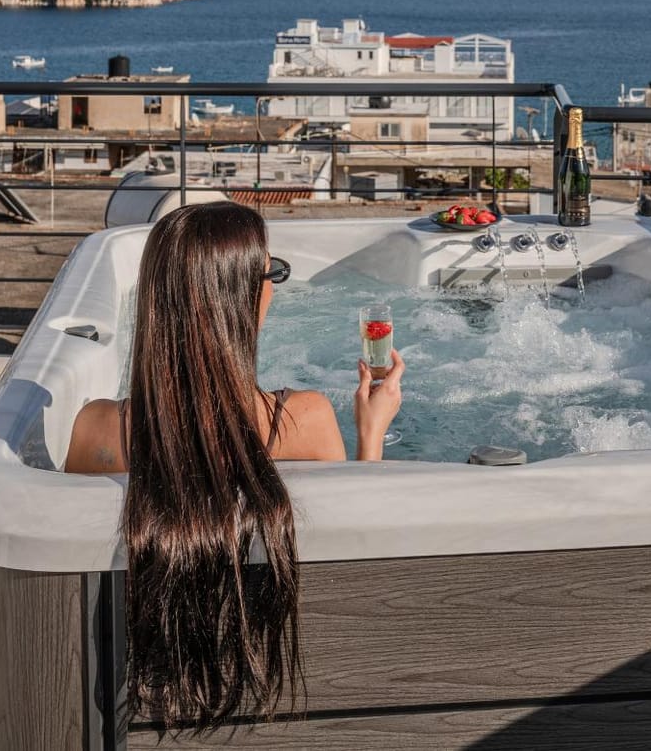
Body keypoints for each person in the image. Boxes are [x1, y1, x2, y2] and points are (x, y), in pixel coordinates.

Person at [65, 201, 403, 733]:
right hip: (280, 696)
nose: (275, 285)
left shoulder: (96, 430)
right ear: (247, 296)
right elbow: (359, 545)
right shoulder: (305, 419)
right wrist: (372, 432)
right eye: (273, 272)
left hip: (137, 702)